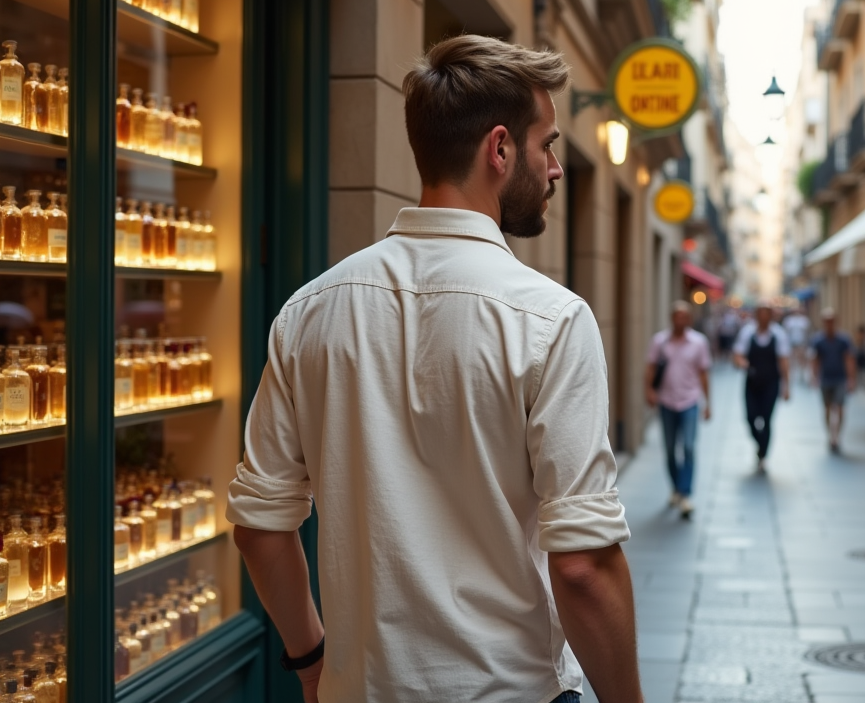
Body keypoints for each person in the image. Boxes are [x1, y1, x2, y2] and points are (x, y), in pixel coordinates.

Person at [226, 35, 641, 703]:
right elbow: (585, 566)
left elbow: (259, 528)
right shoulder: (551, 320)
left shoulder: (309, 311)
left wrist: (311, 662)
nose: (556, 168)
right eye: (549, 145)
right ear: (500, 150)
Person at [645, 301, 712, 519]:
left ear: (689, 319)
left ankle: (685, 493)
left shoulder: (699, 342)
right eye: (677, 316)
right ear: (671, 318)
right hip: (667, 401)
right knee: (671, 449)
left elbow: (703, 373)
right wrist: (649, 391)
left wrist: (708, 402)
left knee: (690, 447)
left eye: (685, 316)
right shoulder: (660, 341)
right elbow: (651, 367)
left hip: (690, 401)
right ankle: (676, 487)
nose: (680, 320)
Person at [733, 304, 791, 470]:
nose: (763, 317)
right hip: (752, 382)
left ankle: (763, 453)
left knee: (766, 418)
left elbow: (784, 361)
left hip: (771, 383)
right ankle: (760, 442)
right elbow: (737, 354)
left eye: (767, 314)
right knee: (750, 417)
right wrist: (742, 362)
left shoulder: (778, 334)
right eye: (761, 313)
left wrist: (786, 386)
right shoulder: (747, 332)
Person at [811, 308, 856, 454]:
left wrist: (851, 379)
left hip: (840, 379)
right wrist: (814, 376)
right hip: (826, 379)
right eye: (826, 321)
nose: (829, 324)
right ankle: (830, 435)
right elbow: (816, 360)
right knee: (827, 408)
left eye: (831, 321)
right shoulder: (818, 340)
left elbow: (849, 359)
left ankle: (837, 436)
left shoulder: (844, 340)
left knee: (840, 408)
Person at [782, 305, 812, 384]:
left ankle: (801, 376)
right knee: (792, 361)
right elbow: (785, 333)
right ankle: (792, 376)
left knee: (802, 361)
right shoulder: (788, 321)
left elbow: (807, 333)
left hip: (801, 343)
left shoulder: (804, 320)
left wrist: (807, 344)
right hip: (791, 344)